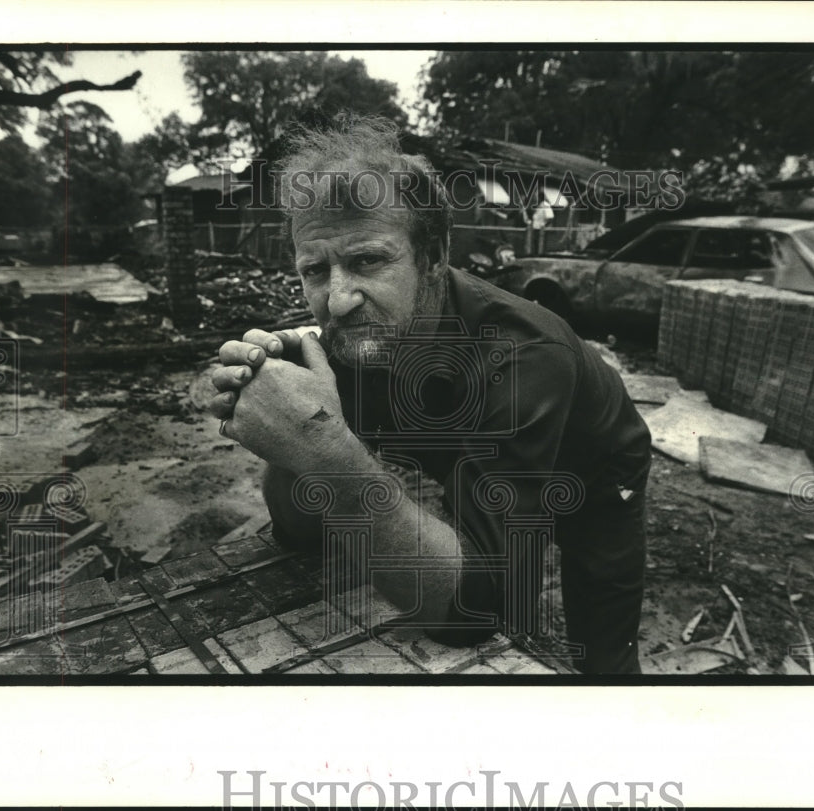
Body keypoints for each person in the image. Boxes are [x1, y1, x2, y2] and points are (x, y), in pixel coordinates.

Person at [209, 115, 652, 674]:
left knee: (602, 645)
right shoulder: (355, 342)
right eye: (315, 270)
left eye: (368, 259)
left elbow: (476, 613)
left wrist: (329, 452)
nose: (338, 300)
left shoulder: (522, 356)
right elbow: (301, 534)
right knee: (465, 539)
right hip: (470, 448)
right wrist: (291, 437)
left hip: (594, 468)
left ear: (434, 255)